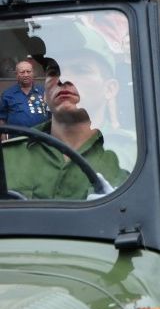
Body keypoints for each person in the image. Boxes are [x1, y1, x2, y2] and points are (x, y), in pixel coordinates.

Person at [3, 42, 128, 199]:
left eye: (81, 70)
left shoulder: (134, 154)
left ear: (109, 89)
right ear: (45, 94)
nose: (63, 79)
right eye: (54, 72)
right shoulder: (9, 155)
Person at [0, 60, 49, 128]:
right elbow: (2, 118)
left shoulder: (43, 92)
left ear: (33, 73)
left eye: (28, 72)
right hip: (17, 137)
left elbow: (52, 115)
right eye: (22, 72)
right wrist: (4, 137)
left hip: (42, 136)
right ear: (16, 75)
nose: (26, 75)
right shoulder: (7, 94)